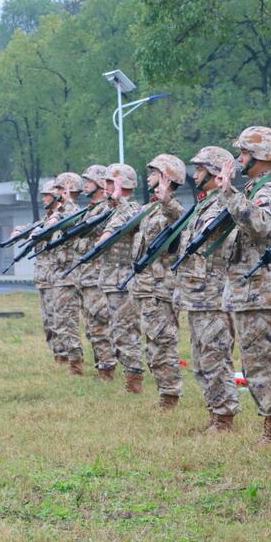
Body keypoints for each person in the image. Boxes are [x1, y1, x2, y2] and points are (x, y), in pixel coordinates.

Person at [215, 126, 271, 445]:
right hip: (249, 292)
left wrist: (229, 193)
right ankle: (270, 427)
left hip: (264, 292)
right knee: (253, 362)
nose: (239, 158)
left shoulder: (270, 191)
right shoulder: (253, 188)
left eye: (245, 153)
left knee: (266, 362)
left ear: (262, 157)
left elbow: (260, 225)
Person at [176, 146, 239, 432]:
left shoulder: (227, 204)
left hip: (214, 295)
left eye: (200, 169)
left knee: (216, 357)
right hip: (197, 295)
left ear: (215, 174)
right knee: (202, 359)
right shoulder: (203, 205)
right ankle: (214, 413)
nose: (195, 174)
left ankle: (224, 417)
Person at [130, 154, 187, 410]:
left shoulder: (172, 209)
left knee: (163, 343)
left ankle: (170, 397)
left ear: (167, 177)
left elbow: (179, 221)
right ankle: (163, 394)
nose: (149, 176)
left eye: (154, 172)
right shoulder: (151, 208)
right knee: (152, 346)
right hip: (145, 289)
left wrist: (166, 201)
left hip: (161, 289)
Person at [94, 163, 145, 392]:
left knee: (126, 331)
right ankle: (127, 376)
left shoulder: (132, 209)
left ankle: (134, 381)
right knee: (116, 330)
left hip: (124, 281)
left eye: (108, 182)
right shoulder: (112, 209)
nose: (103, 187)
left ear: (119, 184)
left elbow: (108, 235)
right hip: (111, 280)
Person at [73, 165, 118, 378]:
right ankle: (101, 366)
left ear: (100, 184)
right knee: (91, 326)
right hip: (85, 277)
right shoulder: (91, 209)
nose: (85, 185)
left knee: (100, 323)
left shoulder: (105, 209)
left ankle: (108, 367)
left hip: (96, 276)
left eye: (89, 181)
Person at [47, 172, 86, 375]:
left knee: (68, 322)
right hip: (59, 276)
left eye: (58, 189)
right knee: (60, 321)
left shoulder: (75, 212)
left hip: (69, 278)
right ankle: (71, 359)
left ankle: (76, 363)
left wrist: (68, 203)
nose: (54, 193)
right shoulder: (60, 212)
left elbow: (73, 224)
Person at [25, 181, 62, 361]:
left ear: (56, 196)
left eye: (46, 195)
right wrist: (19, 231)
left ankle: (65, 357)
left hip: (56, 278)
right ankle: (57, 356)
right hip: (43, 278)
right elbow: (32, 228)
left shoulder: (62, 216)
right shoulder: (46, 218)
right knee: (48, 322)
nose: (43, 198)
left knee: (58, 321)